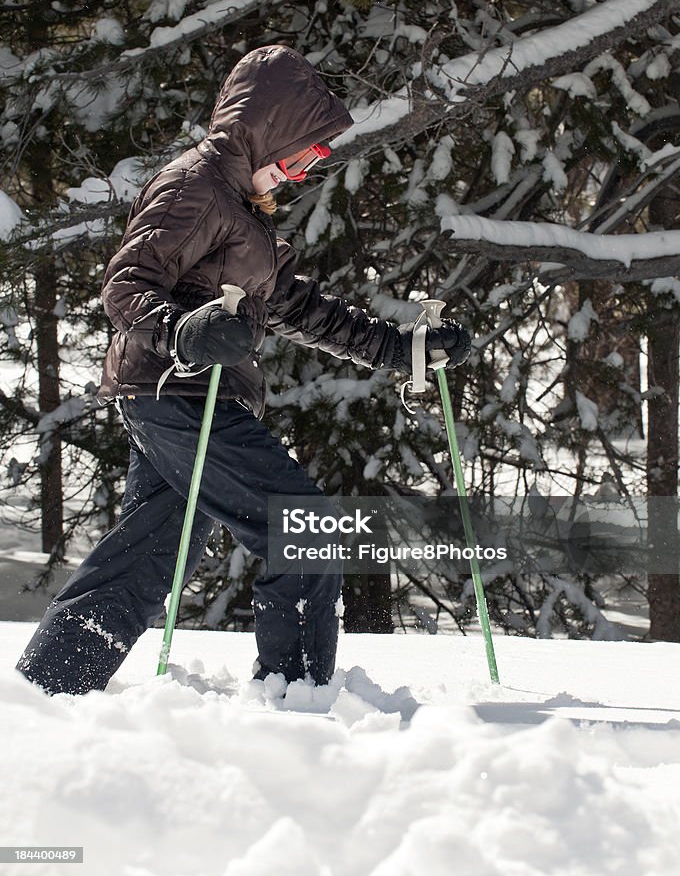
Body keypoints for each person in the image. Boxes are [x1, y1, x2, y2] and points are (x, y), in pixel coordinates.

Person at [16, 44, 470, 695]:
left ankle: (49, 689)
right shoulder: (193, 189)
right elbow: (126, 284)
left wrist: (403, 350)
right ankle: (298, 697)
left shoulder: (243, 215)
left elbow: (303, 309)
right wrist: (182, 329)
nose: (308, 169)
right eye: (304, 152)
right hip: (176, 393)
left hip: (186, 398)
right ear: (267, 133)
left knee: (147, 559)